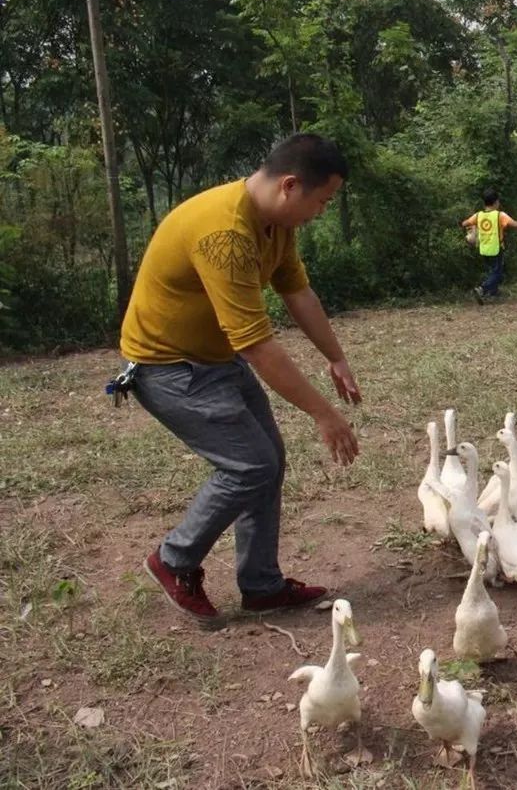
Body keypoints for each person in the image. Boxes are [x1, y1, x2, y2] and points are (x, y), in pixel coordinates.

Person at [121, 133, 360, 624]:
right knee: (249, 465)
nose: (321, 211)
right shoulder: (225, 233)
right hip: (169, 367)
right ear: (290, 186)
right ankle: (173, 560)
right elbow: (257, 344)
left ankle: (261, 586)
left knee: (267, 462)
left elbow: (297, 292)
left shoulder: (274, 223)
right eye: (321, 201)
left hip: (213, 359)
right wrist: (324, 413)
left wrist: (335, 357)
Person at [460, 188, 517, 304]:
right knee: (498, 274)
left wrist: (472, 229)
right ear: (496, 202)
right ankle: (482, 289)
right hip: (496, 248)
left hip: (483, 249)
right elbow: (516, 225)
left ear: (484, 202)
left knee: (492, 271)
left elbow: (464, 223)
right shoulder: (499, 215)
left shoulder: (478, 215)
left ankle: (493, 292)